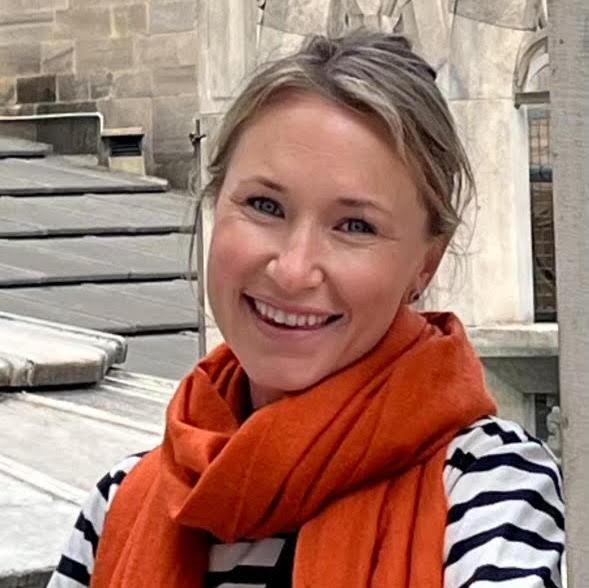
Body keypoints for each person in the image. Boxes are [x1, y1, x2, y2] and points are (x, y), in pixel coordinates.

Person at [49, 31, 564, 587]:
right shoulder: (121, 503)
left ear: (426, 264)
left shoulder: (488, 487)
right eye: (265, 205)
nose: (293, 270)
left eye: (355, 226)